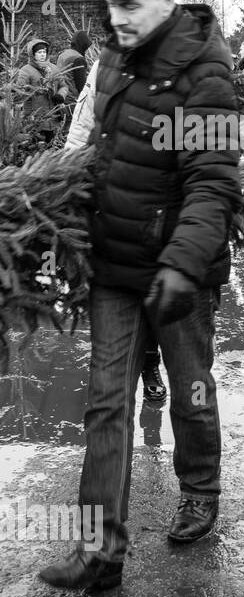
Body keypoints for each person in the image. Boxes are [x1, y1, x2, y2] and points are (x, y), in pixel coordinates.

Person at [38, 0, 240, 591]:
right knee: (105, 404)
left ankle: (201, 487)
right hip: (116, 268)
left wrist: (183, 263)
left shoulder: (204, 72)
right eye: (111, 6)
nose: (117, 17)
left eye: (129, 5)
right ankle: (101, 551)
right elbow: (95, 152)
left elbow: (211, 183)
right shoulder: (115, 64)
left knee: (191, 389)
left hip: (181, 274)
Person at [63, 56, 169, 404]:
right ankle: (119, 379)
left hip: (161, 206)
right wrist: (63, 183)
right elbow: (81, 129)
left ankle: (150, 365)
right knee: (120, 293)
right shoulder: (104, 66)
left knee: (154, 293)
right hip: (112, 204)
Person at [16, 39, 70, 143]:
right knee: (34, 147)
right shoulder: (25, 71)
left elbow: (63, 85)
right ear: (32, 54)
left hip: (53, 116)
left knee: (51, 146)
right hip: (35, 118)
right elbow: (20, 92)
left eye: (44, 52)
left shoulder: (53, 68)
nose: (42, 55)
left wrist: (60, 95)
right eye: (39, 52)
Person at [57, 31, 93, 98]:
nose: (87, 50)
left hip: (61, 94)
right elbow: (81, 85)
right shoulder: (78, 59)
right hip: (72, 98)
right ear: (83, 45)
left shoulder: (63, 54)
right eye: (87, 47)